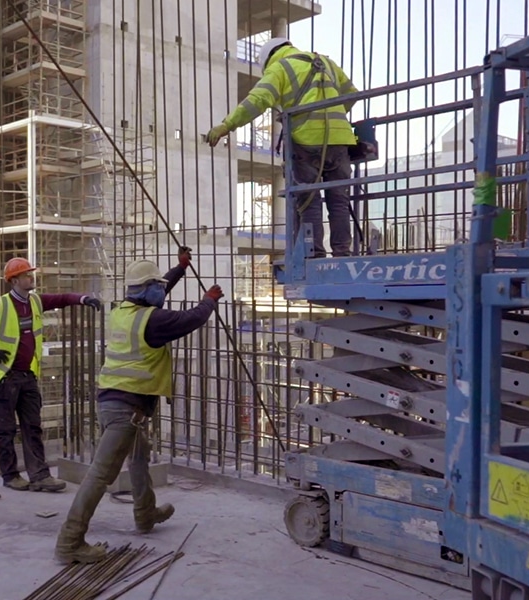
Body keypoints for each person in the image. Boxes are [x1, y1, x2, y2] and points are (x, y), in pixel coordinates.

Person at [54, 247, 224, 564]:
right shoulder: (152, 322)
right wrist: (209, 300)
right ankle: (70, 541)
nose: (162, 289)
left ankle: (145, 514)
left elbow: (158, 292)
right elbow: (190, 319)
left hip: (113, 401)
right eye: (157, 285)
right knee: (100, 475)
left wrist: (179, 269)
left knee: (140, 456)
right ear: (146, 290)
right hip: (125, 410)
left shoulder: (122, 311)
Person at [205, 37, 359, 258]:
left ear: (267, 60)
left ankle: (313, 254)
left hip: (306, 142)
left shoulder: (280, 68)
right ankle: (343, 252)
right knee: (339, 200)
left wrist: (226, 125)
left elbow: (257, 101)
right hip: (340, 140)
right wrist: (331, 119)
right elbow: (351, 95)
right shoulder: (326, 62)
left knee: (309, 200)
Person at [0, 257, 103, 492]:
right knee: (6, 430)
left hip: (27, 377)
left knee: (33, 427)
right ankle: (10, 476)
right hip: (5, 378)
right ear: (14, 280)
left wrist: (84, 298)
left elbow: (61, 298)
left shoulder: (35, 301)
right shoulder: (1, 304)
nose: (31, 277)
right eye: (27, 274)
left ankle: (40, 476)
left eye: (31, 273)